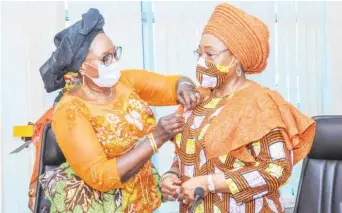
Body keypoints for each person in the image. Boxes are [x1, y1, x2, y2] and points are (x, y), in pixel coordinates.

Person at [38, 8, 202, 213]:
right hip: (99, 206)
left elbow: (173, 84)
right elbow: (102, 176)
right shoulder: (70, 110)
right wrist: (156, 139)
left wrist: (185, 87)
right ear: (82, 68)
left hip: (141, 202)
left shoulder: (124, 82)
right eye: (105, 59)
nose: (114, 62)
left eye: (115, 53)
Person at [160, 3, 316, 213]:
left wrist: (210, 183)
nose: (200, 61)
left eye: (210, 54)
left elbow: (277, 169)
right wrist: (172, 175)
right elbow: (192, 154)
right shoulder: (199, 99)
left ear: (236, 58)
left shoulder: (260, 103)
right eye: (199, 52)